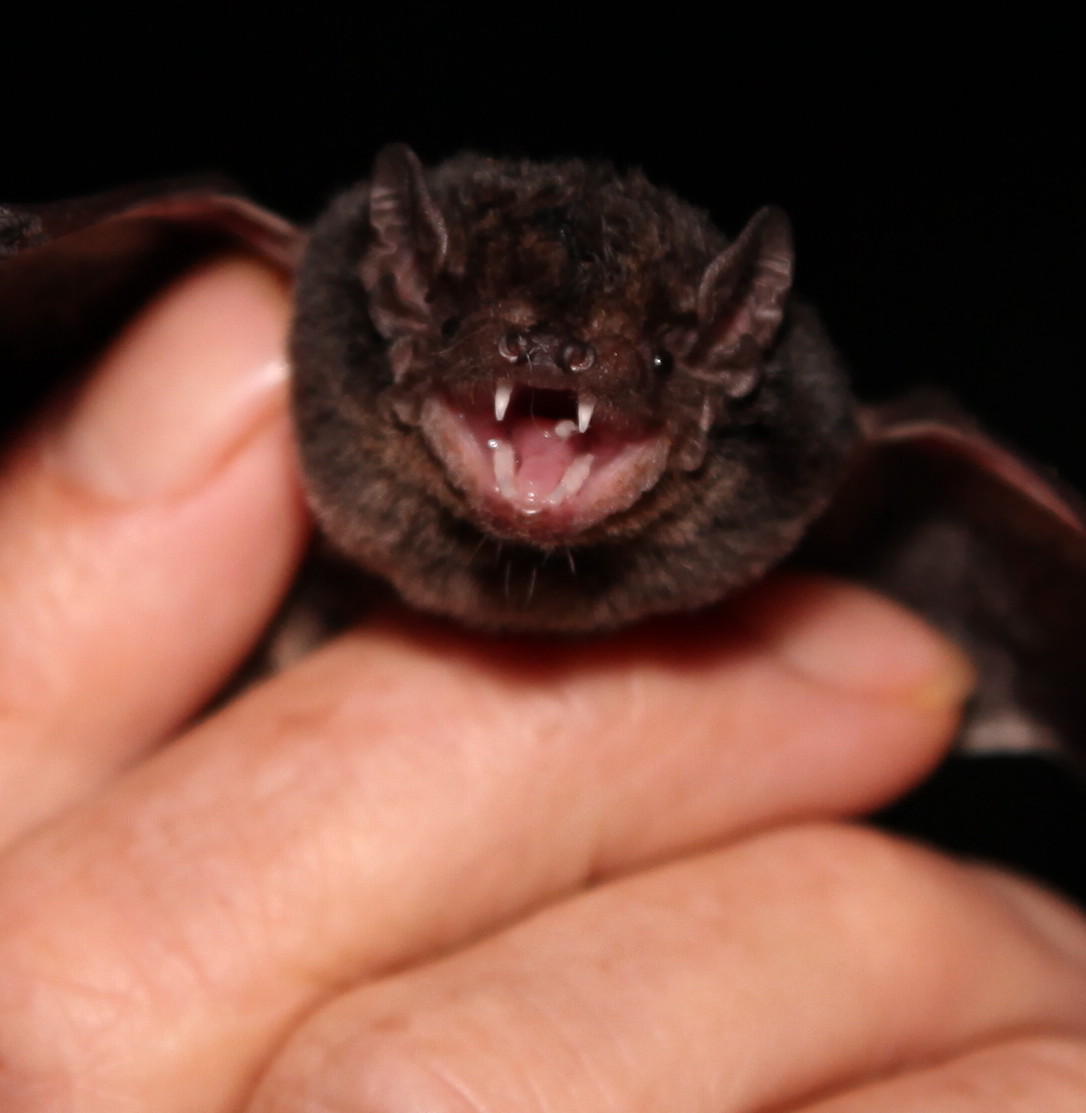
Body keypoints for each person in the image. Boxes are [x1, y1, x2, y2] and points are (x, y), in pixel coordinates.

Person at [0, 254, 1083, 1111]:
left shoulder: (860, 509)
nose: (561, 372)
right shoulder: (246, 334)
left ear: (726, 384)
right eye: (492, 346)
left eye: (646, 374)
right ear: (398, 324)